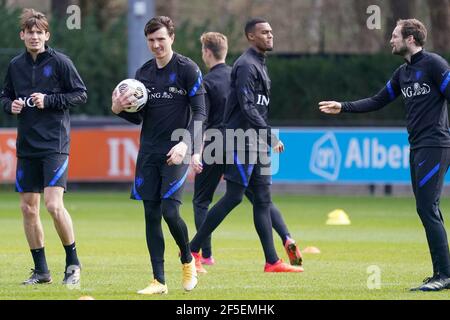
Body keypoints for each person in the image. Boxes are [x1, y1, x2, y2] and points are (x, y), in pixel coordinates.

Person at [319, 19, 450, 291]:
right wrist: (342, 107)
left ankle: (445, 275)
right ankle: (441, 272)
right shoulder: (402, 73)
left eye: (394, 36)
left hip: (435, 144)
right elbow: (378, 100)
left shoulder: (435, 64)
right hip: (417, 146)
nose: (390, 40)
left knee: (427, 208)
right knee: (427, 208)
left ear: (411, 38)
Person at [189, 18, 304, 273]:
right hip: (241, 140)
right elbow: (246, 106)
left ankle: (272, 261)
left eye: (271, 31)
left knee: (263, 200)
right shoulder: (244, 65)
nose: (270, 35)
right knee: (233, 197)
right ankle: (193, 249)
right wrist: (270, 136)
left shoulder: (261, 65)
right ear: (251, 37)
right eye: (264, 32)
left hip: (257, 140)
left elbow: (259, 107)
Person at [111, 16, 206, 295]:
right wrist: (119, 109)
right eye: (151, 40)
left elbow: (201, 112)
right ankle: (159, 281)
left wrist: (186, 144)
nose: (156, 45)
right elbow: (139, 117)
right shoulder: (143, 74)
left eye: (161, 39)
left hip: (177, 150)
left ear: (172, 38)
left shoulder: (187, 69)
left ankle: (187, 260)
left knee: (170, 210)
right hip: (149, 153)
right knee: (151, 214)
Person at [0, 9, 87, 285]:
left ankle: (73, 264)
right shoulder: (16, 65)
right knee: (28, 208)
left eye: (40, 32)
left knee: (52, 204)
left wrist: (48, 100)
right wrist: (9, 105)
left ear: (47, 35)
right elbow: (5, 96)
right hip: (27, 144)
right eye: (30, 32)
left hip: (54, 143)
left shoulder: (60, 62)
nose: (35, 36)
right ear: (22, 35)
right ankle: (41, 271)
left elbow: (80, 94)